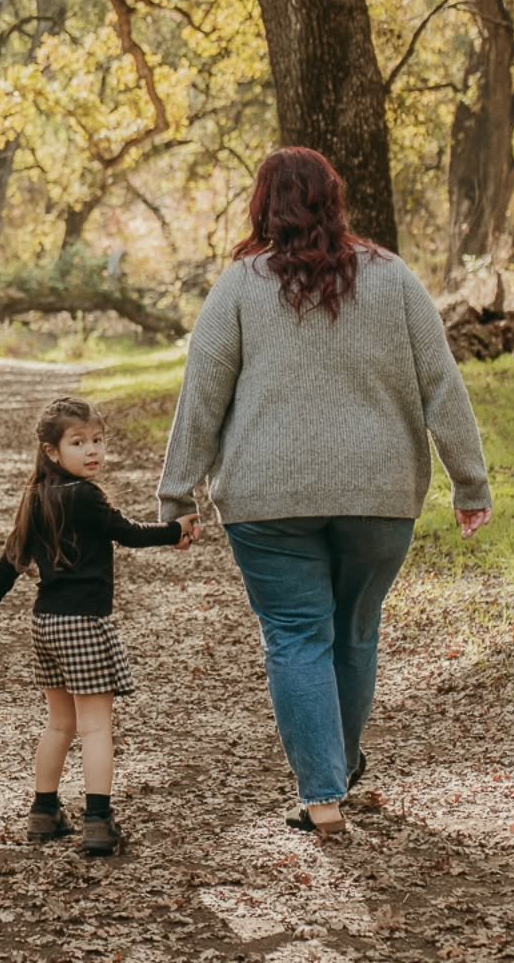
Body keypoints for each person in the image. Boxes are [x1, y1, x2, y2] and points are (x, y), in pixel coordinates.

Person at [157, 147, 492, 837]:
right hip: (379, 494)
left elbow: (202, 394)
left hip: (268, 499)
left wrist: (177, 496)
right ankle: (335, 771)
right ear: (334, 201)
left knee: (296, 637)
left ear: (264, 205)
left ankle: (324, 795)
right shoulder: (393, 278)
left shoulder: (241, 285)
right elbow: (442, 383)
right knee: (354, 633)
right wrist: (469, 481)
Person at [0, 397, 196, 857]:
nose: (92, 451)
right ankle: (98, 820)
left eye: (98, 441)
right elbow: (128, 532)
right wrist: (175, 531)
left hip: (46, 625)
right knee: (95, 729)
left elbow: (12, 559)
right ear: (53, 451)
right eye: (79, 443)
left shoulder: (36, 497)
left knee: (60, 726)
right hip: (84, 626)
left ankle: (44, 810)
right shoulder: (85, 496)